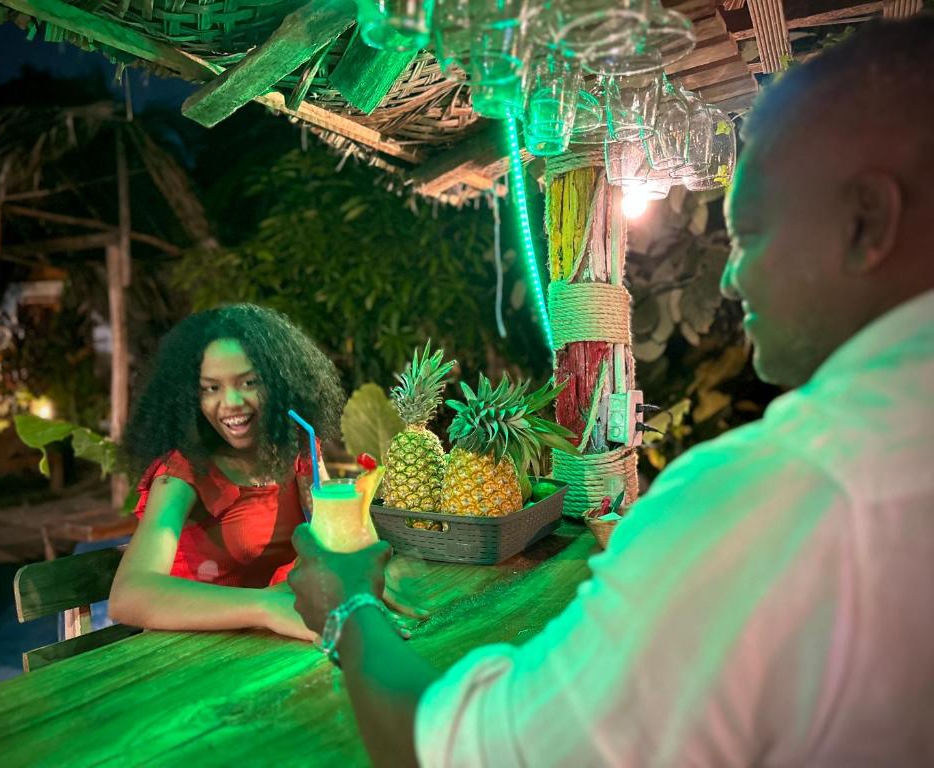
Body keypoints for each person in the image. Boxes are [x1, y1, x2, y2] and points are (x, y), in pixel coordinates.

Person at [287, 16, 934, 766]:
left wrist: (348, 609)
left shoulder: (786, 490)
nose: (731, 276)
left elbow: (465, 751)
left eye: (751, 233)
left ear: (868, 220)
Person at [108, 304, 344, 641]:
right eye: (210, 388)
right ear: (190, 396)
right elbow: (129, 596)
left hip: (270, 645)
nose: (231, 402)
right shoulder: (182, 473)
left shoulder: (299, 449)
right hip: (191, 653)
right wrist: (265, 607)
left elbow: (335, 535)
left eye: (249, 382)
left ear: (280, 382)